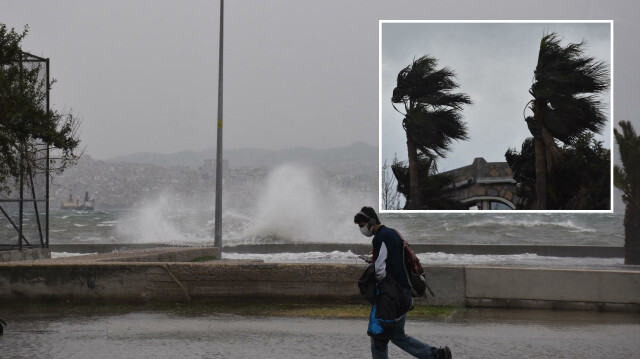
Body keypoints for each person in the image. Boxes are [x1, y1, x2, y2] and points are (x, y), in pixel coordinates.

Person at [354, 206, 452, 359]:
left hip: (391, 297)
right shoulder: (393, 233)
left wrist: (377, 282)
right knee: (397, 335)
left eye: (362, 225)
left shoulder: (380, 237)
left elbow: (380, 269)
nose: (362, 229)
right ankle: (437, 355)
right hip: (403, 293)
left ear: (371, 221)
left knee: (378, 337)